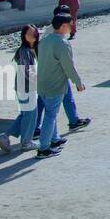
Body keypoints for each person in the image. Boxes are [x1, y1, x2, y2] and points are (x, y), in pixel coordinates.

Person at [35, 10, 85, 158]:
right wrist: (78, 82)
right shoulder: (62, 44)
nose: (72, 27)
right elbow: (68, 66)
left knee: (51, 112)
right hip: (55, 85)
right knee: (50, 115)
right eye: (70, 24)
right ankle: (43, 148)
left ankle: (55, 139)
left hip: (42, 83)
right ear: (63, 26)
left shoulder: (45, 40)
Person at [0, 24, 40, 154]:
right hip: (27, 87)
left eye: (34, 33)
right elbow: (27, 72)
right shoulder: (25, 51)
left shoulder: (28, 50)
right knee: (31, 115)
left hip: (22, 87)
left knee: (25, 114)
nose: (32, 35)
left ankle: (4, 137)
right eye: (29, 33)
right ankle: (26, 142)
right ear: (24, 36)